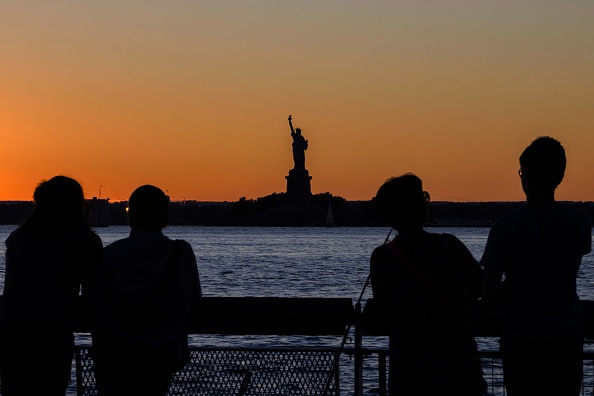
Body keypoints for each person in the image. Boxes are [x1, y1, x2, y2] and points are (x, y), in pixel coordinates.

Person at [480, 136, 592, 395]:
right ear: (560, 176)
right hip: (567, 337)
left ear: (524, 176)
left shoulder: (504, 228)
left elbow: (489, 294)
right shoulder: (579, 223)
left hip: (521, 339)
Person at [370, 173, 485, 396]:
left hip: (408, 367)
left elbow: (384, 309)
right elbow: (481, 286)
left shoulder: (382, 257)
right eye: (423, 196)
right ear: (417, 208)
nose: (427, 200)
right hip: (456, 362)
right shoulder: (448, 245)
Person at [91, 184, 202, 396]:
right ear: (165, 216)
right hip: (160, 354)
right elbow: (194, 300)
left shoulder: (111, 255)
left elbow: (96, 303)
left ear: (130, 216)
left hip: (115, 354)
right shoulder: (181, 252)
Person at [0, 176, 103, 396]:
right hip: (53, 336)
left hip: (12, 336)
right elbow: (95, 294)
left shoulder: (18, 238)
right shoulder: (84, 241)